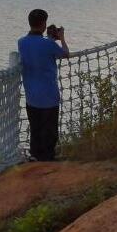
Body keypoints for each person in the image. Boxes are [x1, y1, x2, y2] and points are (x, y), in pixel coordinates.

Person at [17, 9, 69, 161]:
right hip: (49, 97)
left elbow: (37, 48)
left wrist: (50, 40)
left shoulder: (21, 42)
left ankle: (35, 159)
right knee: (50, 134)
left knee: (36, 131)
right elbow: (65, 54)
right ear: (44, 24)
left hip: (31, 97)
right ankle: (47, 162)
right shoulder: (48, 45)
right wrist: (61, 38)